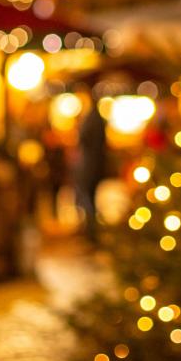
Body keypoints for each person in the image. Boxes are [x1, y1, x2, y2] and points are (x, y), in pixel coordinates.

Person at [70, 85, 108, 243]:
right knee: (88, 197)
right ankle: (89, 231)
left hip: (90, 165)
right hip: (92, 163)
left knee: (87, 197)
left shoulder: (93, 118)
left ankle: (91, 232)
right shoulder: (95, 117)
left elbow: (86, 141)